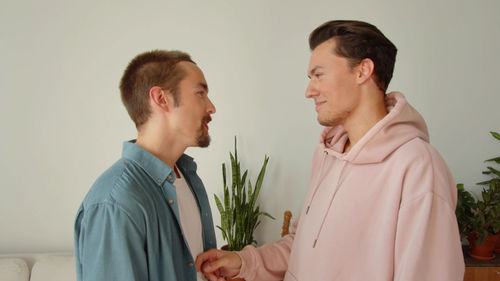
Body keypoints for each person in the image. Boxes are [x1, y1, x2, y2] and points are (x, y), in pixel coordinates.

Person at [195, 20, 464, 281]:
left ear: (362, 71)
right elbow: (303, 248)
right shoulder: (327, 155)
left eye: (319, 75)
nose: (309, 90)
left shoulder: (417, 166)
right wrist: (244, 262)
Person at [74, 50, 217, 281]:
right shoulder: (115, 203)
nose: (211, 107)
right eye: (200, 93)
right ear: (161, 98)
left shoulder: (188, 178)